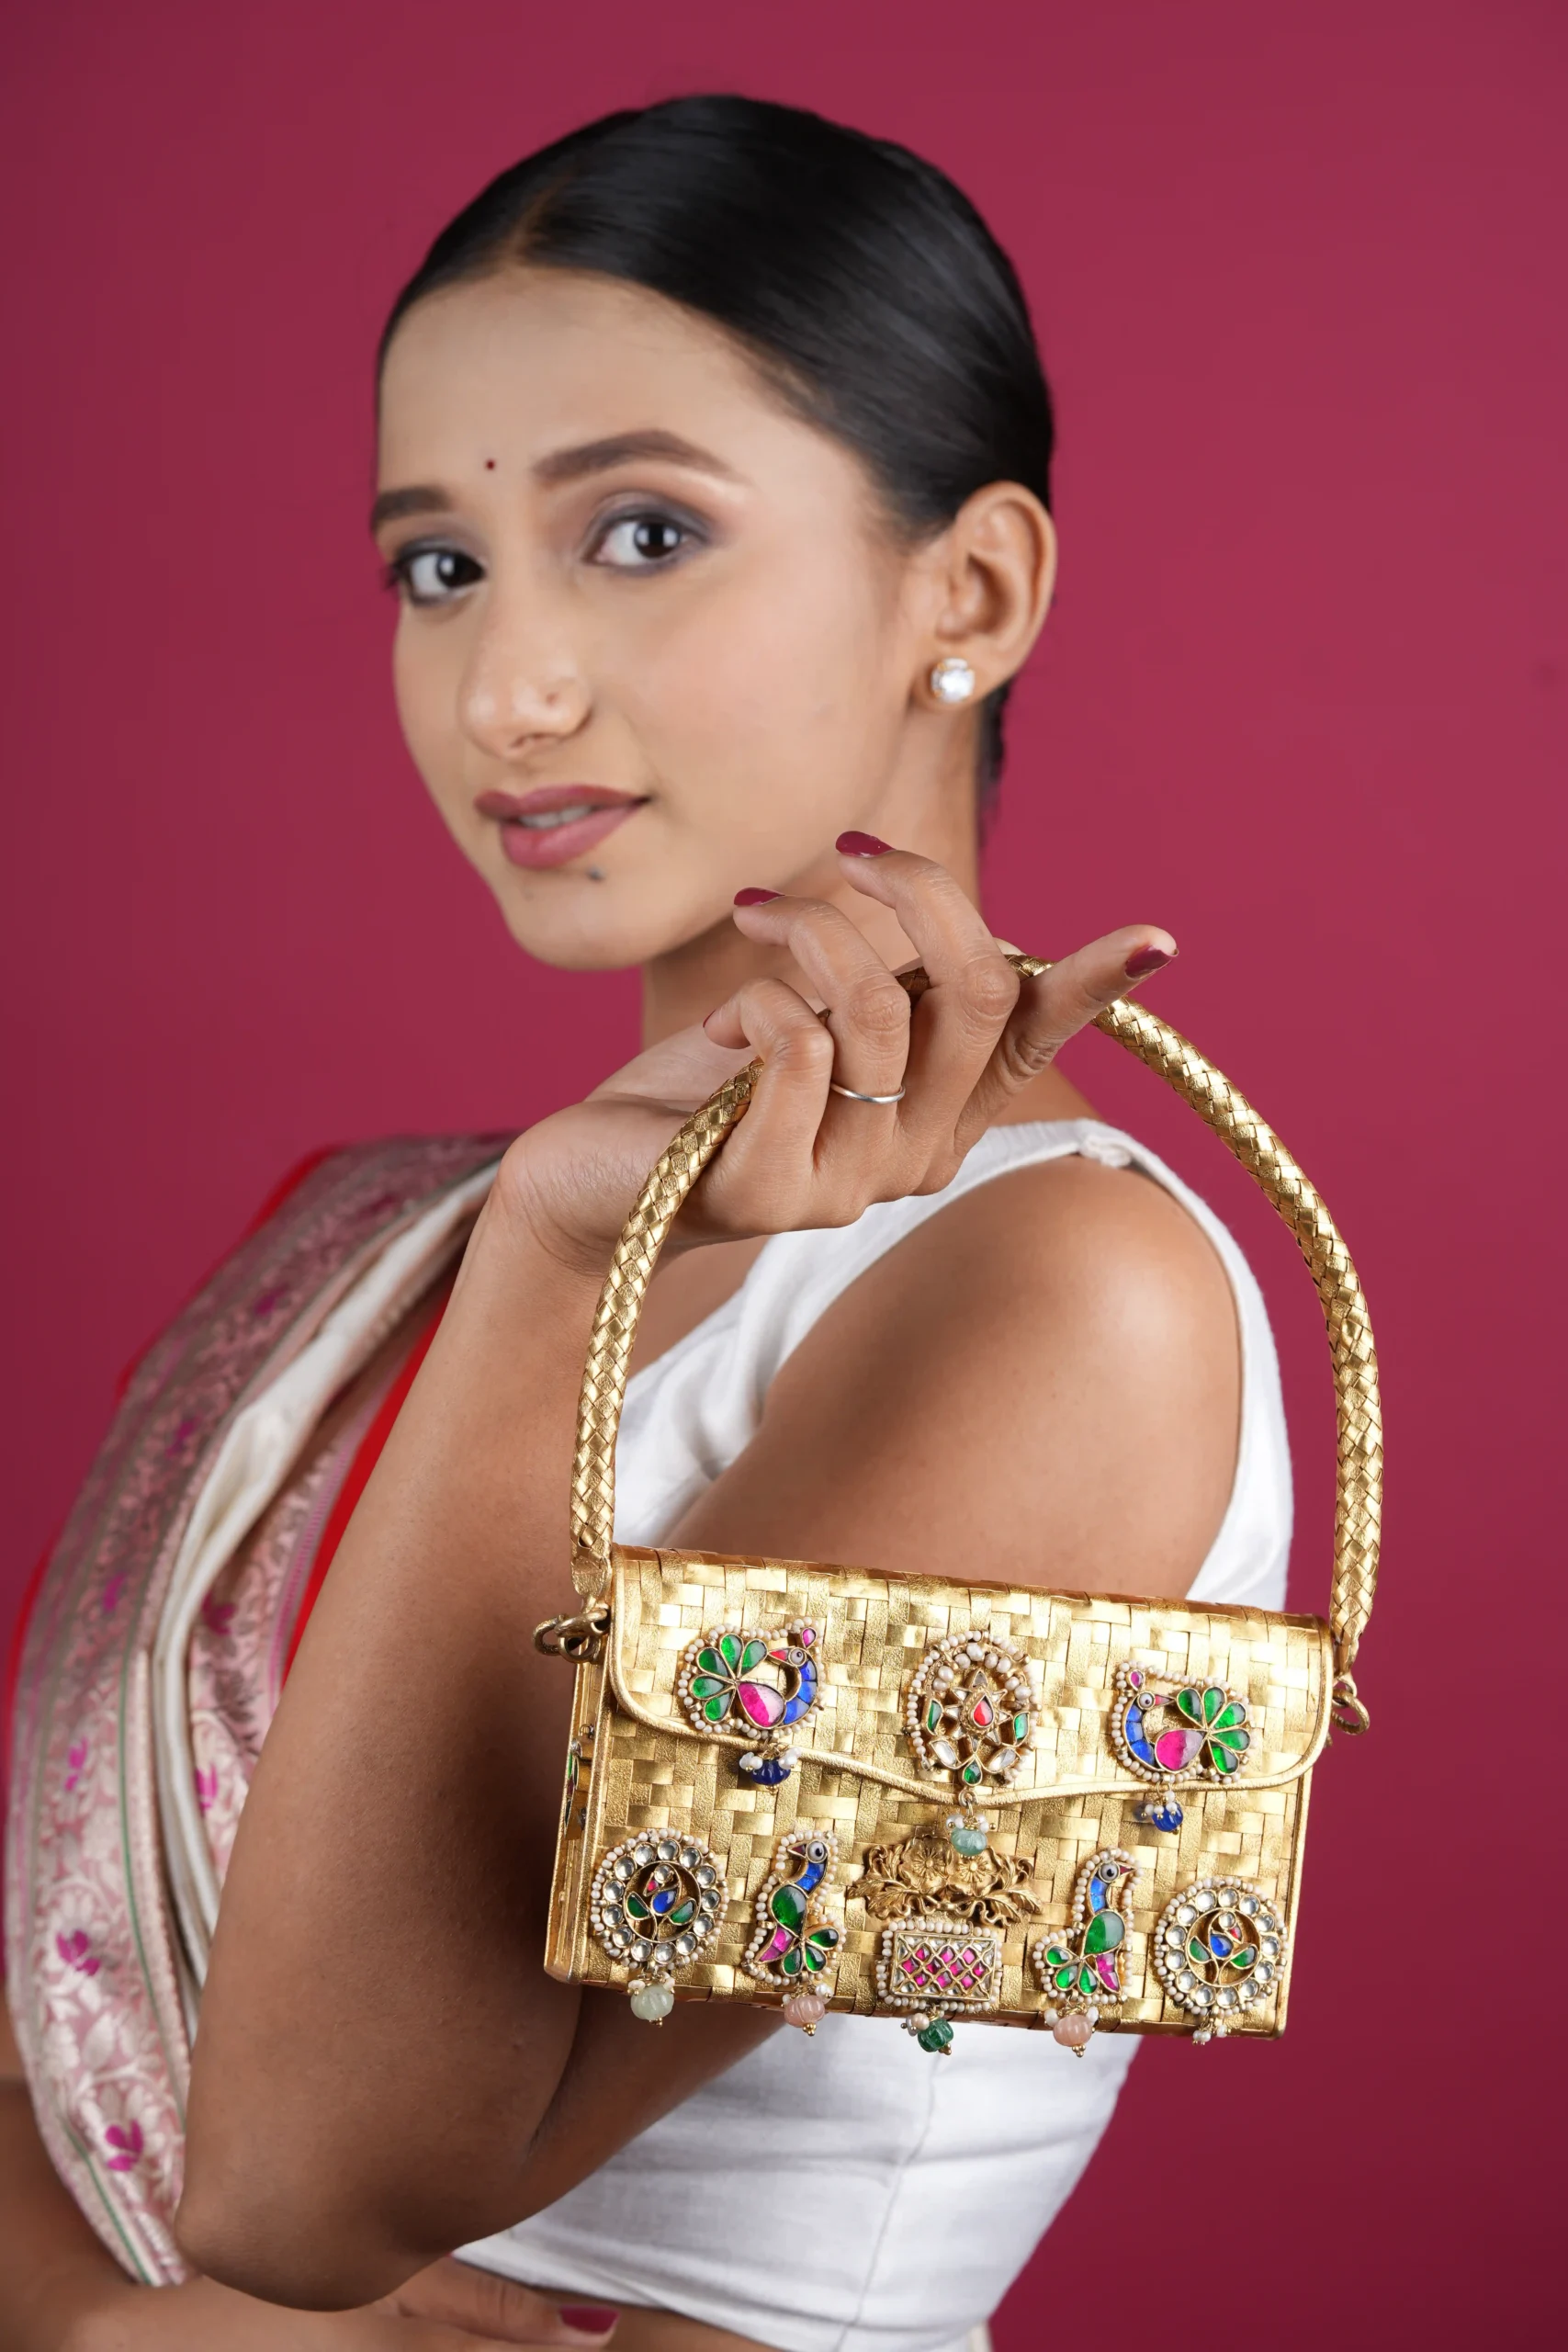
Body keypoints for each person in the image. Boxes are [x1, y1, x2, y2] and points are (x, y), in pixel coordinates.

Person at [4, 96, 1289, 2352]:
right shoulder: (393, 1232)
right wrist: (107, 2321)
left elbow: (307, 2189)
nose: (506, 688)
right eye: (439, 565)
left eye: (643, 531)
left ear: (970, 591)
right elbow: (67, 2029)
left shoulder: (1067, 1299)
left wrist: (547, 1281)